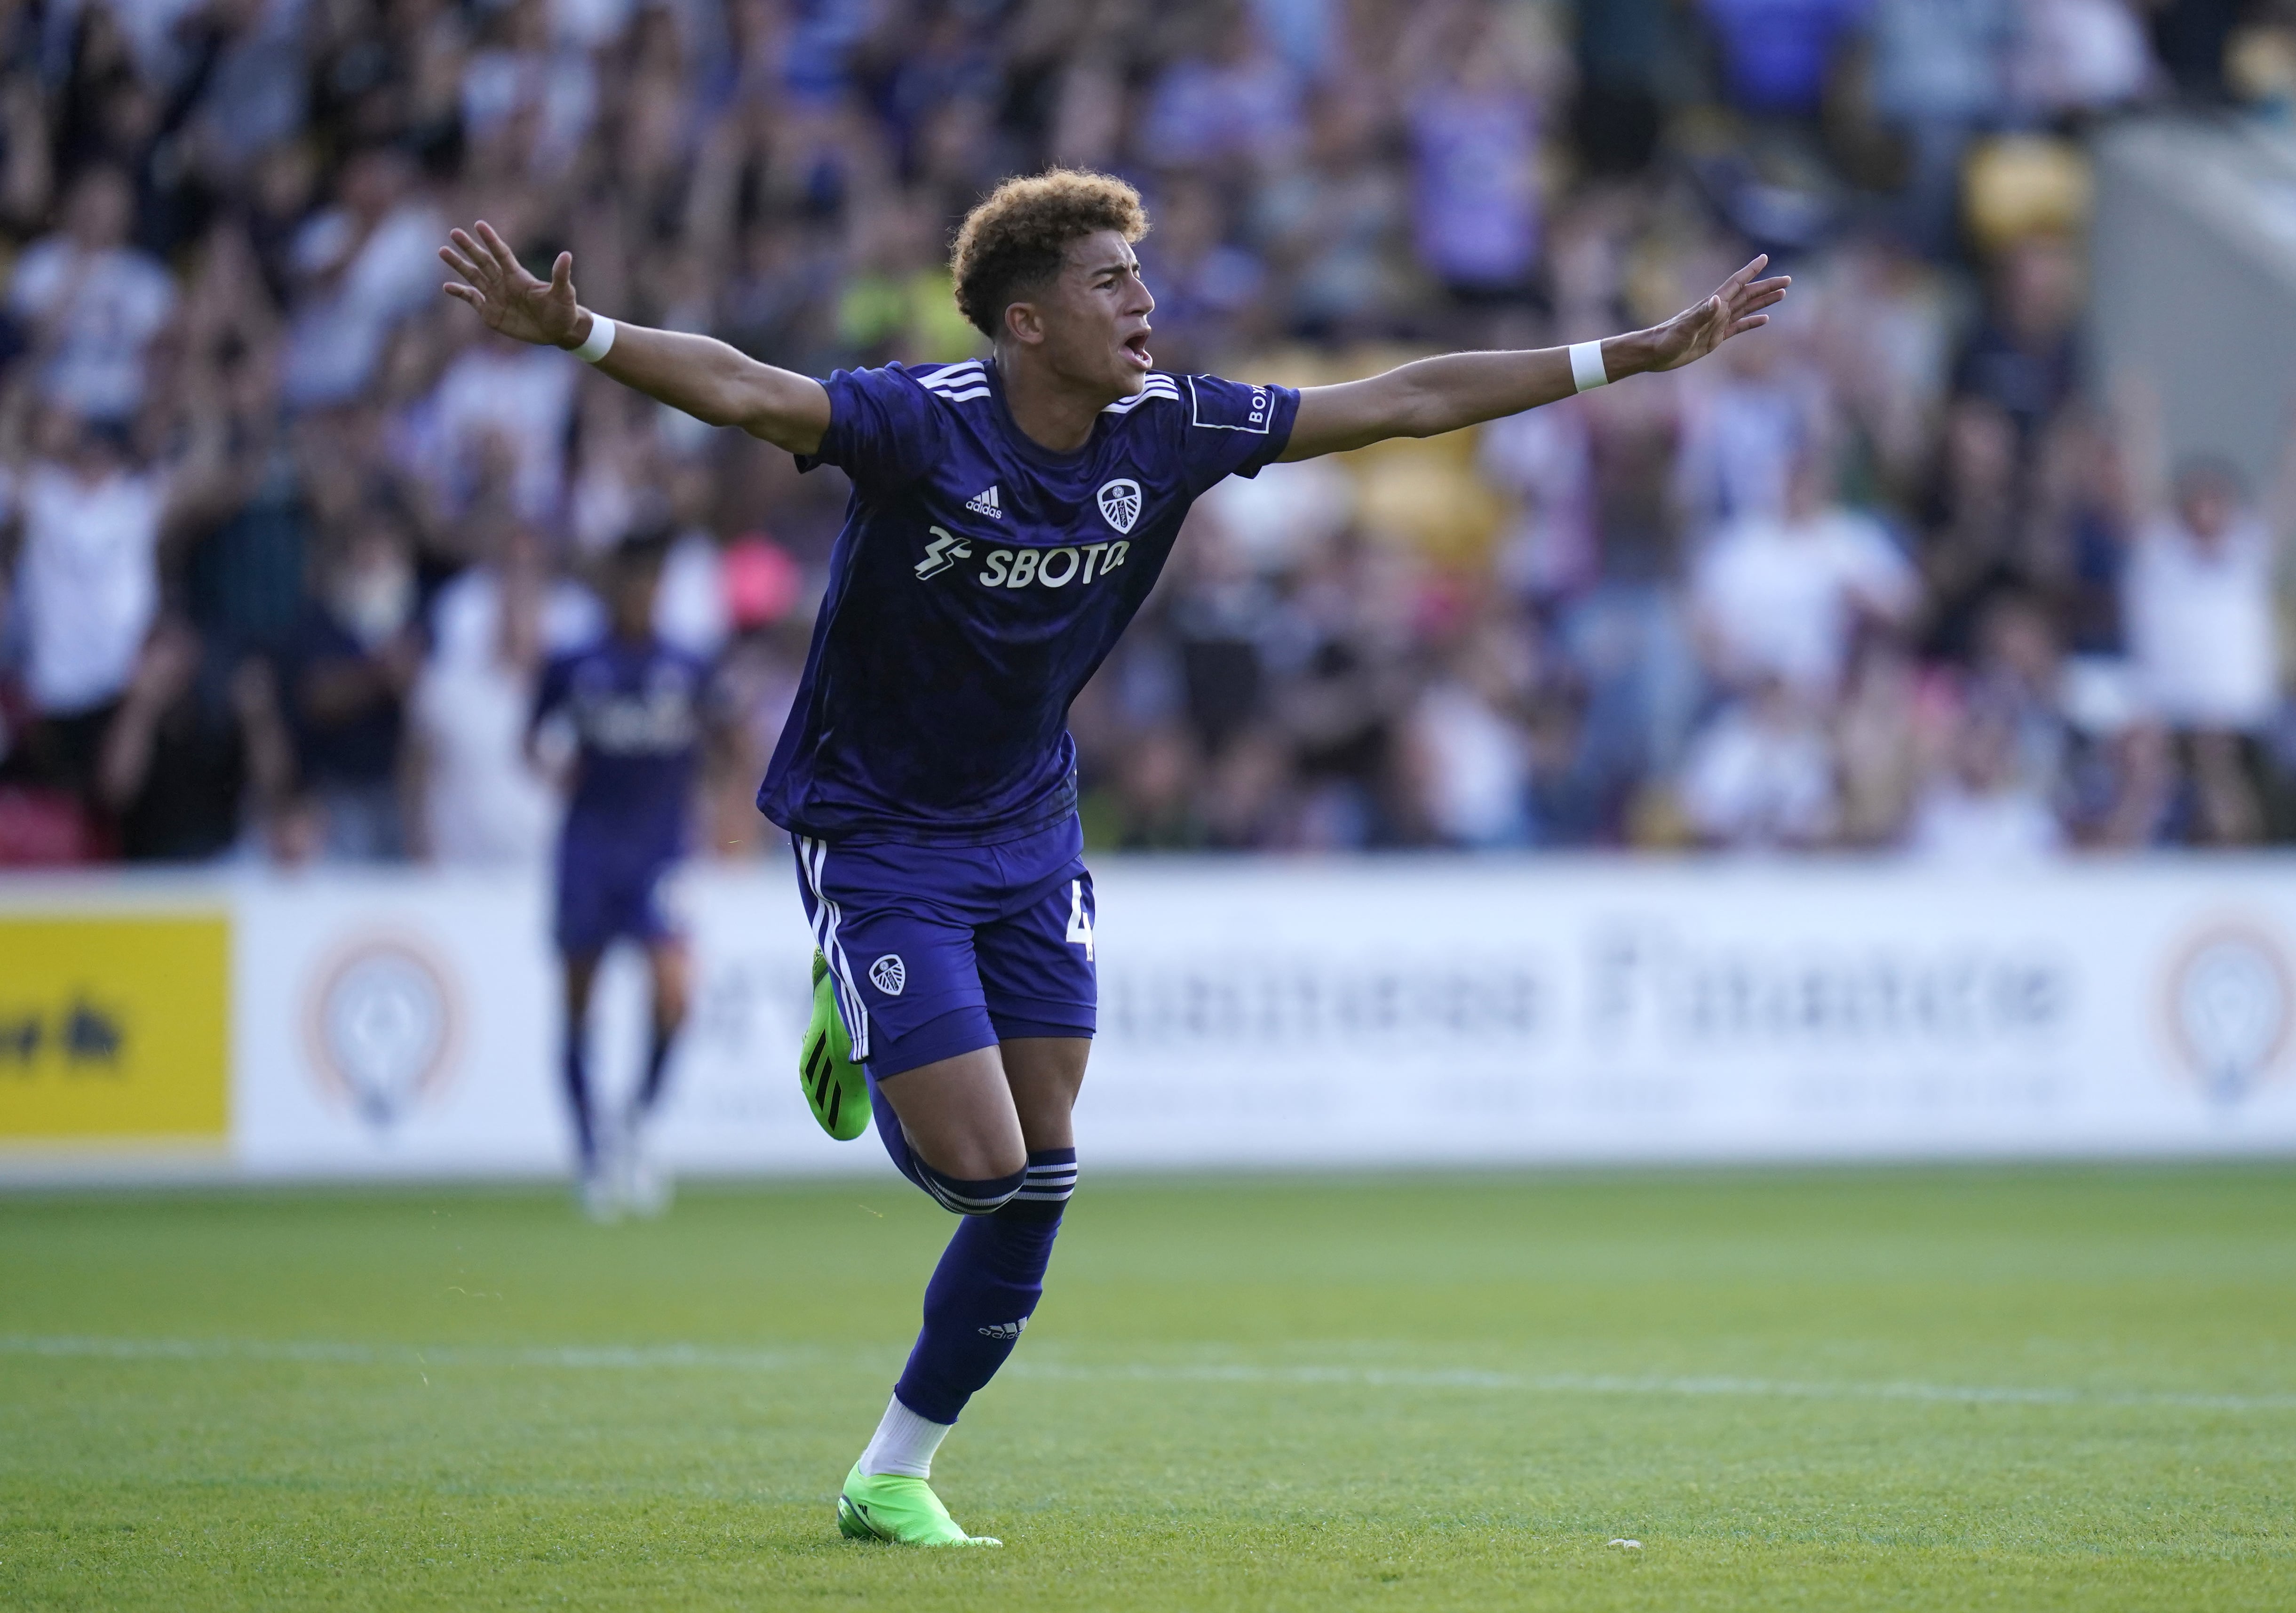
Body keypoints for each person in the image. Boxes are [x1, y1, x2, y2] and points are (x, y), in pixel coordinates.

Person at [439, 168, 1788, 1547]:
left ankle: (893, 1467)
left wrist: (1629, 353)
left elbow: (1405, 399)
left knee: (1046, 1169)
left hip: (1029, 828)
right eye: (1109, 282)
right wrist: (583, 334)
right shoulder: (925, 424)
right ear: (1026, 321)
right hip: (883, 831)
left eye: (1142, 278)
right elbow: (745, 389)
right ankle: (852, 1009)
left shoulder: (1174, 426)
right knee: (977, 1164)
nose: (1146, 304)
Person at [528, 530, 725, 1221]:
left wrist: (720, 814)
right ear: (612, 589)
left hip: (660, 853)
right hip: (587, 848)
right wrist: (554, 771)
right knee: (580, 1000)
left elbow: (726, 742)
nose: (642, 596)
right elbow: (531, 742)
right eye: (632, 584)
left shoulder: (688, 665)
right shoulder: (574, 663)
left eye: (652, 585)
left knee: (673, 994)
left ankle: (636, 1123)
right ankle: (589, 1151)